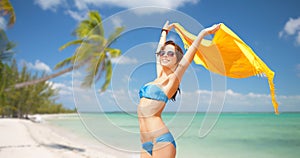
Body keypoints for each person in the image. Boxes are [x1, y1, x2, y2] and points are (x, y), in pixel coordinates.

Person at [138, 21, 221, 158]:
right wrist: (164, 32)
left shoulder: (172, 81)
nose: (165, 55)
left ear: (177, 60)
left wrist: (203, 33)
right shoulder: (158, 77)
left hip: (161, 140)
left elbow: (187, 60)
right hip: (145, 142)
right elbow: (158, 53)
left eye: (171, 54)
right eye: (163, 53)